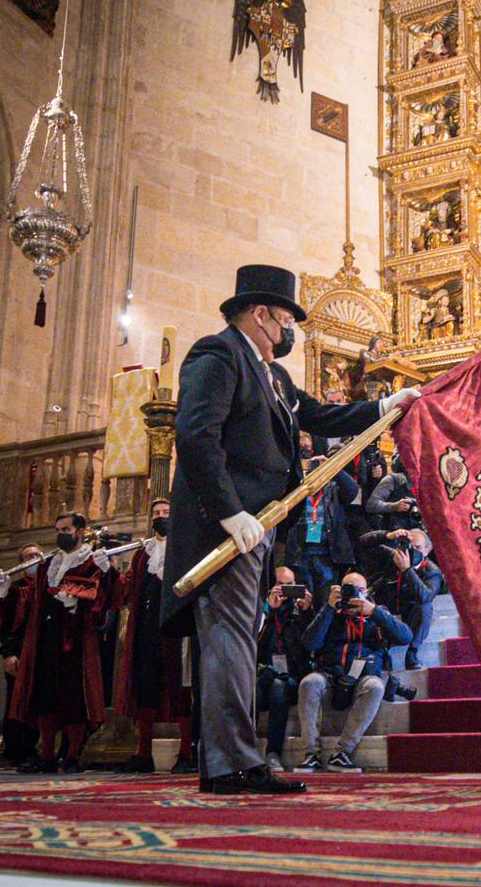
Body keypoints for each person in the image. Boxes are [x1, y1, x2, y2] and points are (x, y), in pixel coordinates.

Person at [161, 264, 421, 796]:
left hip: (260, 528)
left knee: (238, 640)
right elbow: (196, 436)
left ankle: (234, 760)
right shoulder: (218, 355)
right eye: (283, 320)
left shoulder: (274, 376)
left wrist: (384, 406)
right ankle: (234, 765)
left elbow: (321, 415)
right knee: (229, 640)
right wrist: (229, 512)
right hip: (226, 527)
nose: (288, 333)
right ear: (259, 314)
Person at [10, 512, 114, 774]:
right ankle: (46, 755)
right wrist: (6, 594)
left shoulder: (91, 560)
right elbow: (35, 596)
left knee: (74, 695)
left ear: (80, 531)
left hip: (76, 636)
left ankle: (71, 754)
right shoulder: (49, 563)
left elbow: (103, 596)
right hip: (48, 634)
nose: (61, 534)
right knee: (46, 694)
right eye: (58, 529)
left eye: (66, 529)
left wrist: (80, 590)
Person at [295, 571, 412, 773]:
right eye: (347, 588)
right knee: (309, 682)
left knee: (376, 686)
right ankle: (311, 753)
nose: (352, 594)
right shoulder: (331, 612)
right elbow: (309, 643)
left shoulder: (376, 613)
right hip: (329, 675)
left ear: (366, 591)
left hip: (364, 676)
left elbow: (405, 636)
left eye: (357, 589)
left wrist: (373, 611)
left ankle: (342, 753)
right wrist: (329, 608)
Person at [111, 500, 194, 774]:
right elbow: (128, 590)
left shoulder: (185, 547)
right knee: (146, 688)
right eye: (156, 514)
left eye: (166, 513)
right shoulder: (142, 555)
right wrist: (111, 571)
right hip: (146, 628)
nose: (161, 518)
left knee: (179, 689)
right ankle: (143, 753)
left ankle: (186, 753)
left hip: (176, 627)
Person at [284, 432, 359, 600]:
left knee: (326, 602)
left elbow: (352, 491)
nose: (305, 455)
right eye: (300, 450)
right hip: (299, 553)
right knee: (301, 603)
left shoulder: (332, 486)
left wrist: (333, 467)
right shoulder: (293, 485)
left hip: (327, 554)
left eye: (307, 450)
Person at [0, 543, 43, 766]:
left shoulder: (51, 585)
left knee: (39, 702)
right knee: (15, 701)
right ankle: (16, 752)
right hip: (19, 653)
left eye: (38, 555)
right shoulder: (14, 590)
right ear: (21, 563)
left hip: (42, 653)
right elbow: (6, 624)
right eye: (29, 556)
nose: (34, 559)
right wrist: (8, 654)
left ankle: (34, 750)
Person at [358, 527, 442, 671]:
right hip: (389, 607)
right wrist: (388, 535)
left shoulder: (432, 571)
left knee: (425, 607)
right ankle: (382, 652)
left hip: (411, 613)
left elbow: (425, 596)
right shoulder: (394, 556)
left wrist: (407, 570)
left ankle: (412, 653)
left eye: (418, 547)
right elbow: (362, 543)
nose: (412, 551)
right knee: (376, 607)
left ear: (427, 550)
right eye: (409, 545)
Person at [258, 566, 313, 775]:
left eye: (289, 585)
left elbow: (311, 645)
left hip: (291, 679)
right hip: (263, 676)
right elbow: (254, 646)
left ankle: (273, 752)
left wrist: (307, 613)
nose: (284, 590)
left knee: (279, 687)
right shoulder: (262, 610)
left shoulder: (301, 612)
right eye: (280, 584)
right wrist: (269, 613)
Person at [364, 452, 421, 541]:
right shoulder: (394, 480)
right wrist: (395, 506)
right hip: (390, 535)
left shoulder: (427, 489)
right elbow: (371, 505)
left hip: (415, 538)